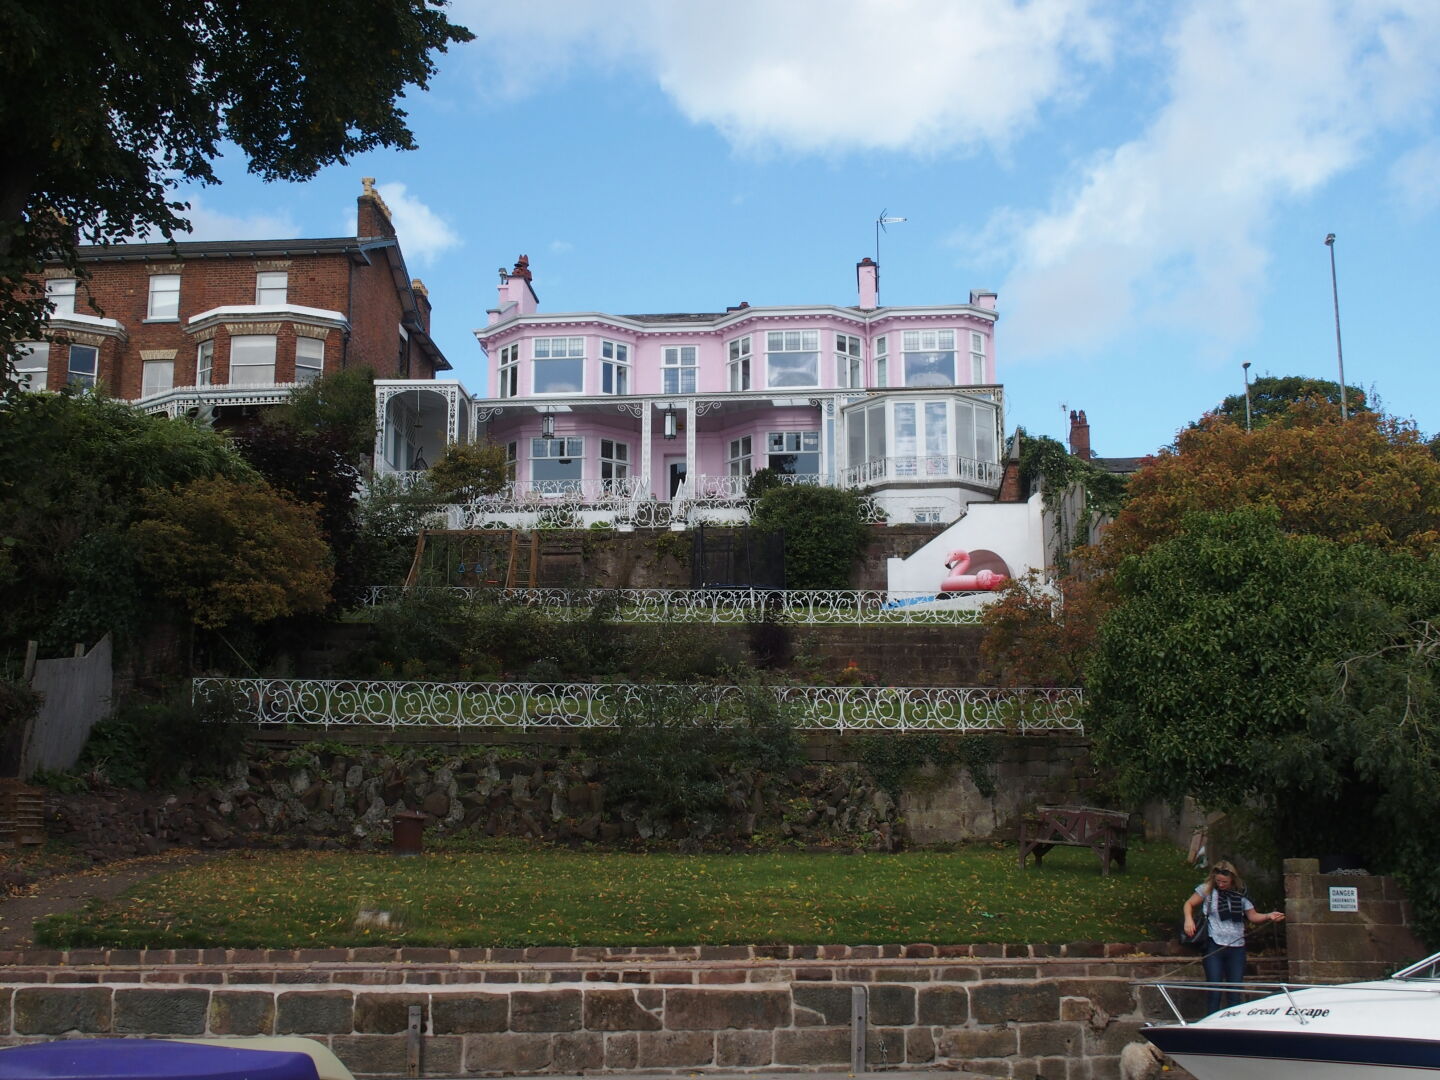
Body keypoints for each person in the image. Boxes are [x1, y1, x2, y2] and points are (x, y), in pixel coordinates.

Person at [1182, 860, 1285, 1014]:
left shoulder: (1241, 893)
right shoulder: (1208, 890)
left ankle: (1233, 1020)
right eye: (1218, 881)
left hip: (1236, 947)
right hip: (1214, 944)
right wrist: (1188, 919)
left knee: (1235, 989)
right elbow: (1189, 904)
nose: (1221, 885)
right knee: (1215, 987)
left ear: (1232, 880)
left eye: (1224, 882)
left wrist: (1269, 916)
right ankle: (1212, 1022)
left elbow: (1253, 916)